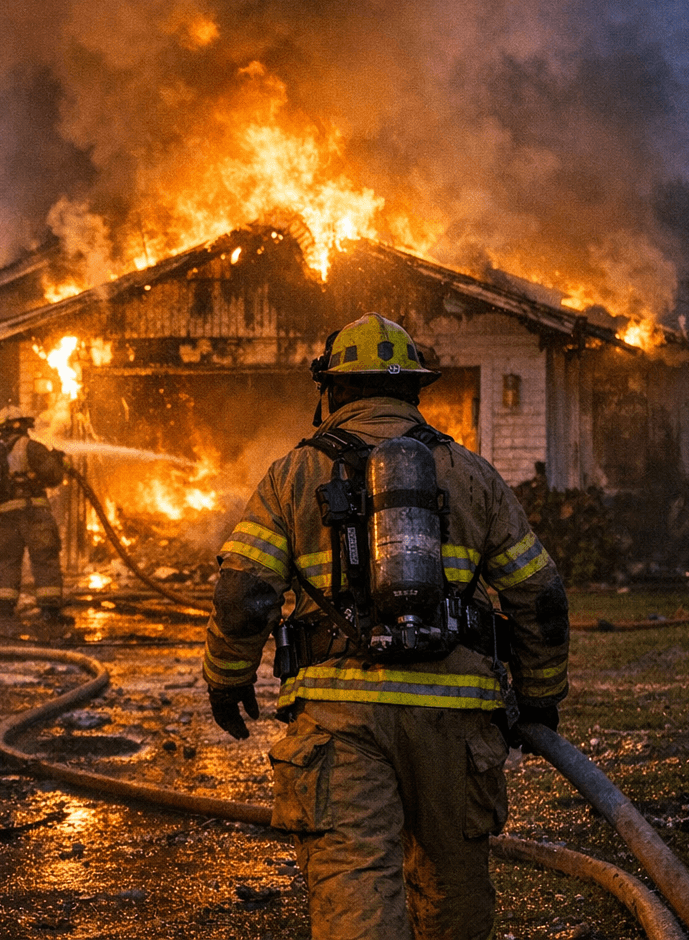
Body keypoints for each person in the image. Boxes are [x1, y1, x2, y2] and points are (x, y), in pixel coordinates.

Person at [202, 313, 569, 940]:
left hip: (340, 720)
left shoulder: (293, 475)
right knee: (453, 890)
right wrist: (539, 694)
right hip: (457, 721)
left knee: (357, 887)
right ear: (414, 391)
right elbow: (540, 596)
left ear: (333, 390)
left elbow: (244, 596)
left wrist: (227, 677)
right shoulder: (471, 473)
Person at [0, 406, 68, 618]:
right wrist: (59, 461)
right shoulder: (31, 447)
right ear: (20, 425)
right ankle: (49, 610)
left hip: (3, 515)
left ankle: (5, 608)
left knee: (7, 560)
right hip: (32, 512)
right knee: (44, 557)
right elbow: (54, 477)